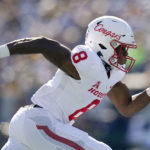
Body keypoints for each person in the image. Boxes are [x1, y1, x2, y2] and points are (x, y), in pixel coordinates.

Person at [1, 16, 150, 150]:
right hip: (40, 121)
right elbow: (44, 45)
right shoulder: (88, 63)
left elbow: (127, 107)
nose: (125, 55)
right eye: (122, 48)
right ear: (104, 43)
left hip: (32, 124)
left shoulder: (109, 74)